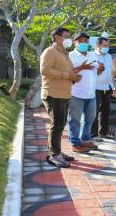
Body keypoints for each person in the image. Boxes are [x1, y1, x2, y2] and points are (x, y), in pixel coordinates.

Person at [40, 27, 85, 168]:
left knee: (60, 125)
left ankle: (57, 151)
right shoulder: (49, 52)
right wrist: (67, 76)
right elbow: (45, 70)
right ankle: (54, 155)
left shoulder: (65, 54)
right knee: (56, 124)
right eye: (67, 36)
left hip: (64, 94)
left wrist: (75, 76)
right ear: (58, 38)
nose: (69, 40)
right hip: (52, 94)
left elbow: (69, 71)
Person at [68, 32, 99, 153]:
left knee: (90, 118)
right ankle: (75, 142)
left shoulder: (92, 55)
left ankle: (86, 139)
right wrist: (82, 67)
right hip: (76, 93)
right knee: (75, 119)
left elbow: (96, 71)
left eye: (86, 41)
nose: (83, 43)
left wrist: (101, 69)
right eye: (80, 41)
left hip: (91, 93)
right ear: (74, 42)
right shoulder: (70, 56)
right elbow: (67, 72)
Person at [92, 37, 116, 142]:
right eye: (105, 46)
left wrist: (114, 86)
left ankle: (104, 132)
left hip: (108, 87)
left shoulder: (108, 56)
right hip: (95, 87)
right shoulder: (91, 56)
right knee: (94, 111)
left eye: (108, 46)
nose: (107, 48)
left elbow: (112, 72)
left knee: (105, 111)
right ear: (98, 45)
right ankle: (93, 134)